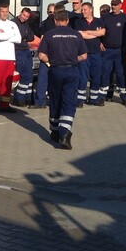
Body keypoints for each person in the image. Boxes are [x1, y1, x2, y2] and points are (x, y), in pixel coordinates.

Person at [37, 10, 87, 150]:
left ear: (55, 21)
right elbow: (83, 56)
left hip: (55, 70)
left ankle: (54, 130)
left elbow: (41, 56)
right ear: (67, 20)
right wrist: (72, 59)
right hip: (71, 70)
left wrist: (51, 61)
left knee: (55, 100)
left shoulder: (49, 35)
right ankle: (64, 134)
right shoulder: (76, 35)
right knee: (69, 102)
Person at [0, 4, 22, 113]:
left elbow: (19, 39)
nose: (5, 13)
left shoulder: (12, 24)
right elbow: (0, 37)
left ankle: (5, 105)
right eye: (3, 11)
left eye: (6, 11)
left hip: (10, 57)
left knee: (7, 83)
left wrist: (6, 34)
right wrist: (11, 35)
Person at [72, 2, 106, 106]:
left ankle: (94, 98)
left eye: (85, 10)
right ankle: (80, 100)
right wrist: (95, 34)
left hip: (96, 53)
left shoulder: (99, 21)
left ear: (90, 10)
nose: (83, 12)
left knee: (96, 75)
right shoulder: (79, 22)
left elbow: (103, 32)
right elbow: (81, 35)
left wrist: (88, 32)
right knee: (82, 76)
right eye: (82, 10)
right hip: (84, 53)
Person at [100, 0, 126, 104]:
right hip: (107, 50)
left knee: (121, 74)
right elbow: (99, 31)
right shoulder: (105, 17)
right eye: (112, 4)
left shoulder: (125, 18)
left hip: (120, 51)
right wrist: (100, 42)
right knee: (106, 73)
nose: (113, 6)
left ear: (121, 5)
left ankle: (124, 96)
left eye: (116, 5)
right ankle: (103, 95)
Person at [30, 3, 58, 109]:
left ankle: (54, 101)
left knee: (55, 80)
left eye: (53, 12)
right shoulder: (44, 24)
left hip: (57, 56)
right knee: (42, 79)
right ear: (47, 12)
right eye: (50, 12)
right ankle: (39, 102)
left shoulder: (59, 24)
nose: (51, 14)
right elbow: (41, 39)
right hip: (46, 55)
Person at [10, 8, 39, 108]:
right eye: (24, 15)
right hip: (18, 51)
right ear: (20, 13)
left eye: (27, 17)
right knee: (24, 75)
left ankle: (28, 97)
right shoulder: (13, 23)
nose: (24, 18)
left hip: (26, 50)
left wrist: (24, 37)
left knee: (30, 75)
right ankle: (19, 98)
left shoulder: (26, 24)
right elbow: (16, 37)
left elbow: (31, 37)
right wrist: (23, 37)